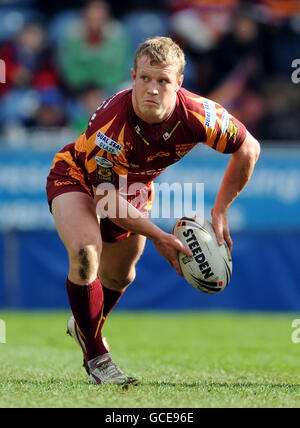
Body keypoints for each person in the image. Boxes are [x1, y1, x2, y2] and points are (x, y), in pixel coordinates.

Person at [46, 36, 260, 385]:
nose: (152, 89)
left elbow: (248, 148)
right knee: (86, 253)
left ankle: (83, 324)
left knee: (120, 277)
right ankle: (98, 357)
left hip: (132, 188)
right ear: (133, 76)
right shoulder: (111, 126)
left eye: (162, 80)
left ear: (179, 82)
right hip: (79, 178)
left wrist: (221, 208)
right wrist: (160, 236)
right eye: (145, 78)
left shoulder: (198, 115)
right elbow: (106, 200)